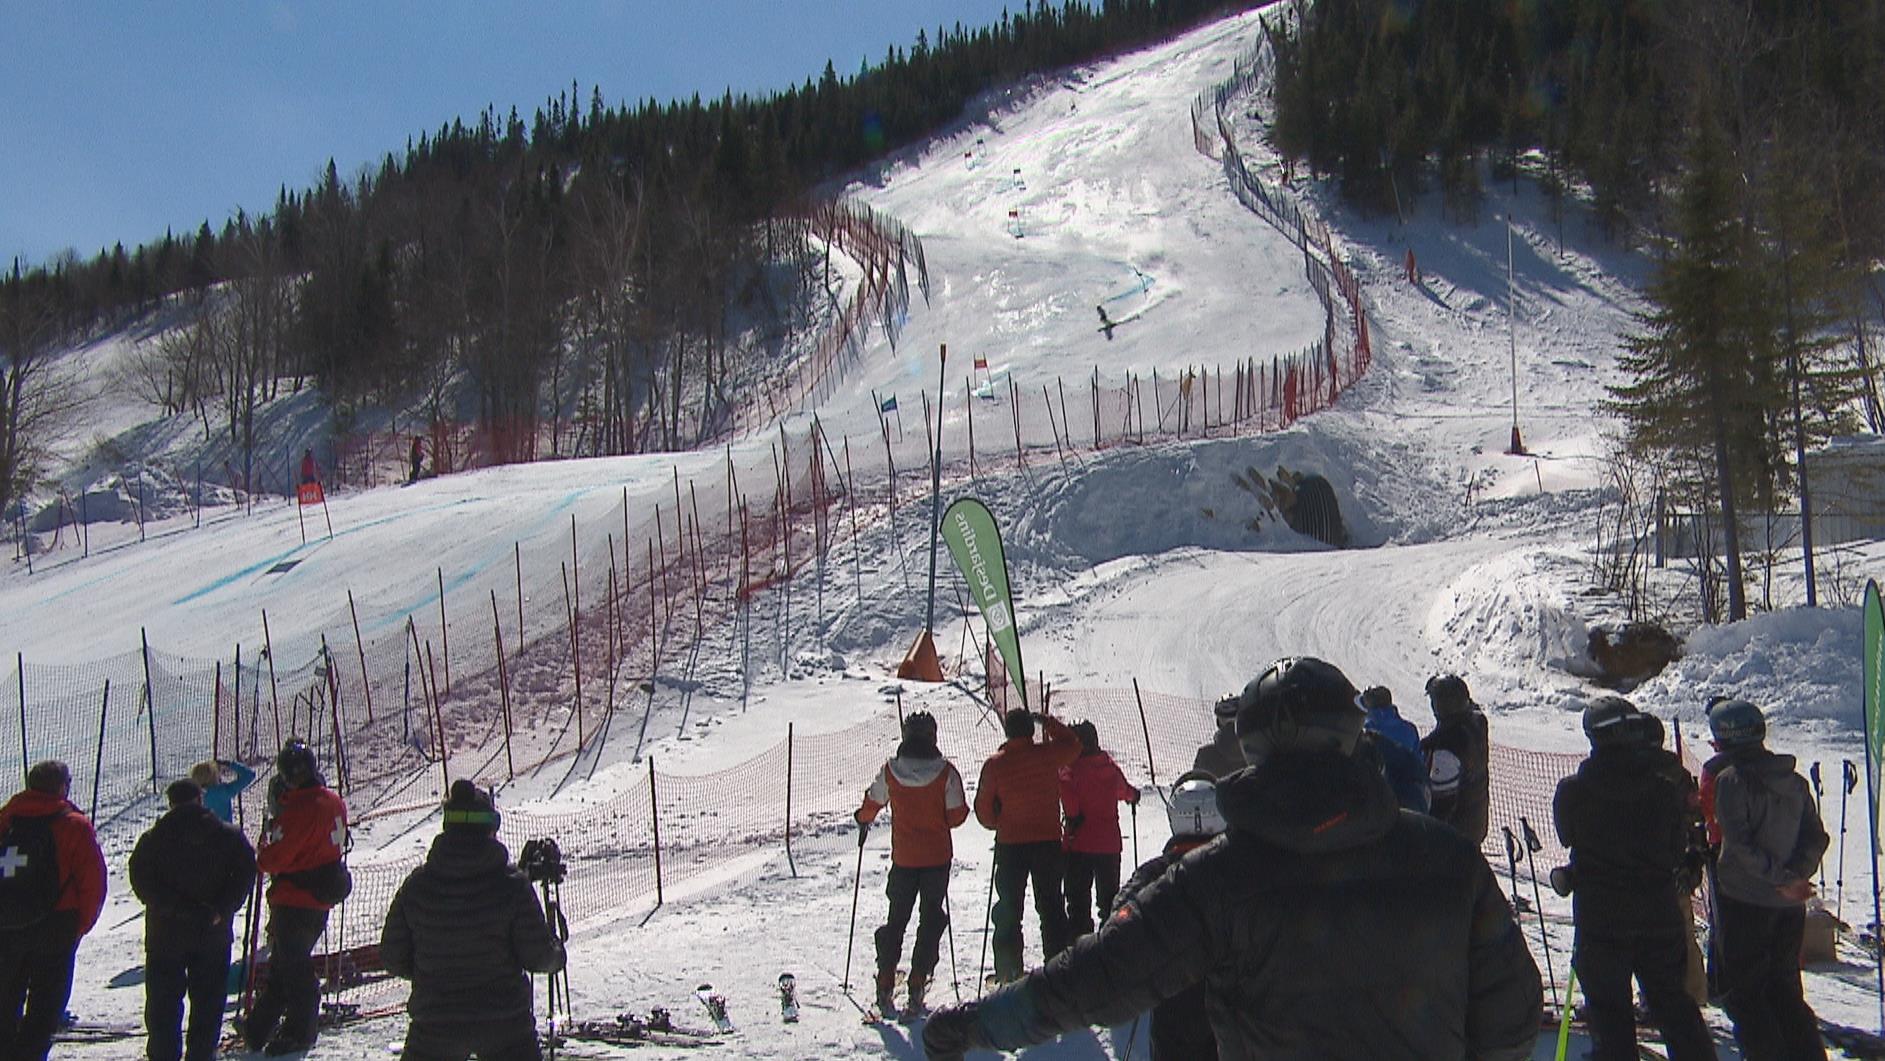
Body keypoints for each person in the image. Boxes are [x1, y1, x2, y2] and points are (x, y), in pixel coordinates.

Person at [924, 657, 1541, 1061]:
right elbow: (1513, 1009)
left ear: (1255, 746)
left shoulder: (1215, 879)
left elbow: (1098, 980)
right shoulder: (1449, 859)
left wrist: (978, 1024)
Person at [1551, 697, 1714, 1061]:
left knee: (1610, 1017)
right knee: (1675, 1006)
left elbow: (1567, 834)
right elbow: (1679, 842)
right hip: (1657, 911)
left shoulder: (1574, 790)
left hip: (1601, 917)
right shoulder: (1664, 786)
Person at [381, 780, 565, 1061]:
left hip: (435, 1023)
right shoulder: (511, 885)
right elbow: (538, 956)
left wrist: (430, 973)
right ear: (490, 828)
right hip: (505, 1024)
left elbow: (392, 956)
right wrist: (557, 953)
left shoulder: (418, 886)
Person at [1706, 698, 1829, 1061]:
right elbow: (1816, 837)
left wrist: (1780, 878)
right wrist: (1795, 877)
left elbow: (1738, 844)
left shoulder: (1732, 781)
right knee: (1785, 991)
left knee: (1746, 995)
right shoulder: (1792, 780)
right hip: (1788, 904)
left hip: (1745, 902)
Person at [130, 779, 258, 1061]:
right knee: (209, 1001)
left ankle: (163, 1055)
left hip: (165, 935)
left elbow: (141, 880)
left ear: (171, 803)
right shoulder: (229, 836)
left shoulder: (153, 839)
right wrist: (221, 909)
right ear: (200, 799)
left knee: (163, 1002)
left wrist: (174, 908)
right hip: (212, 933)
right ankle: (201, 1053)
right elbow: (246, 873)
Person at [853, 711, 970, 1016]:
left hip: (904, 858)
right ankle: (918, 977)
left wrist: (862, 818)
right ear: (933, 736)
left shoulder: (891, 771)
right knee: (930, 917)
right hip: (936, 857)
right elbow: (957, 815)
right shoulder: (946, 772)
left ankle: (886, 976)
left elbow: (871, 804)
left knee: (897, 918)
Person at [1109, 770, 1225, 1061]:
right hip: (1234, 1006)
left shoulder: (1155, 872)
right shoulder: (1238, 867)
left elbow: (1118, 926)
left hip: (1175, 1006)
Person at [244, 739, 349, 1056]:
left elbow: (273, 858)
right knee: (285, 967)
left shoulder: (298, 809)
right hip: (320, 895)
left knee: (294, 969)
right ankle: (258, 1027)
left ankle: (300, 1031)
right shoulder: (333, 801)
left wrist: (264, 849)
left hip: (294, 899)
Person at [0, 760, 107, 1061]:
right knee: (46, 1006)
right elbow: (92, 883)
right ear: (62, 786)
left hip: (6, 926)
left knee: (5, 1001)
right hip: (57, 926)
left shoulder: (6, 819)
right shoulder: (73, 824)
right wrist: (79, 927)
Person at [973, 708, 1080, 982]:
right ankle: (1058, 970)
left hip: (1011, 844)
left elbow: (983, 809)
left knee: (1009, 908)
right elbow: (1073, 745)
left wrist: (999, 821)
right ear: (1031, 731)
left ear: (1007, 732)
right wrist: (1049, 722)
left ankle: (1009, 972)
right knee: (1052, 906)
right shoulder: (1047, 755)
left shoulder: (995, 764)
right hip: (1047, 841)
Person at [1057, 720, 1139, 939]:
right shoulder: (1108, 766)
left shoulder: (1070, 770)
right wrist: (1133, 795)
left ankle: (1079, 952)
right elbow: (1125, 791)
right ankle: (1110, 948)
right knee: (1110, 902)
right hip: (1108, 845)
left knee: (1077, 904)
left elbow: (1070, 804)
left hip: (1079, 844)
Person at [1421, 671, 1490, 844]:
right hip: (1476, 822)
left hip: (1455, 836)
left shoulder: (1446, 748)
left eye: (1434, 701)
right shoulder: (1476, 723)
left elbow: (1442, 804)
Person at [1359, 686, 1429, 812]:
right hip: (1411, 798)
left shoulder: (1366, 732)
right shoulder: (1409, 729)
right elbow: (1420, 761)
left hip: (1377, 800)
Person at [191, 758, 257, 826]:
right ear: (213, 776)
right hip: (225, 832)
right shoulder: (224, 791)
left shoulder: (193, 795)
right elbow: (249, 775)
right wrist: (230, 764)